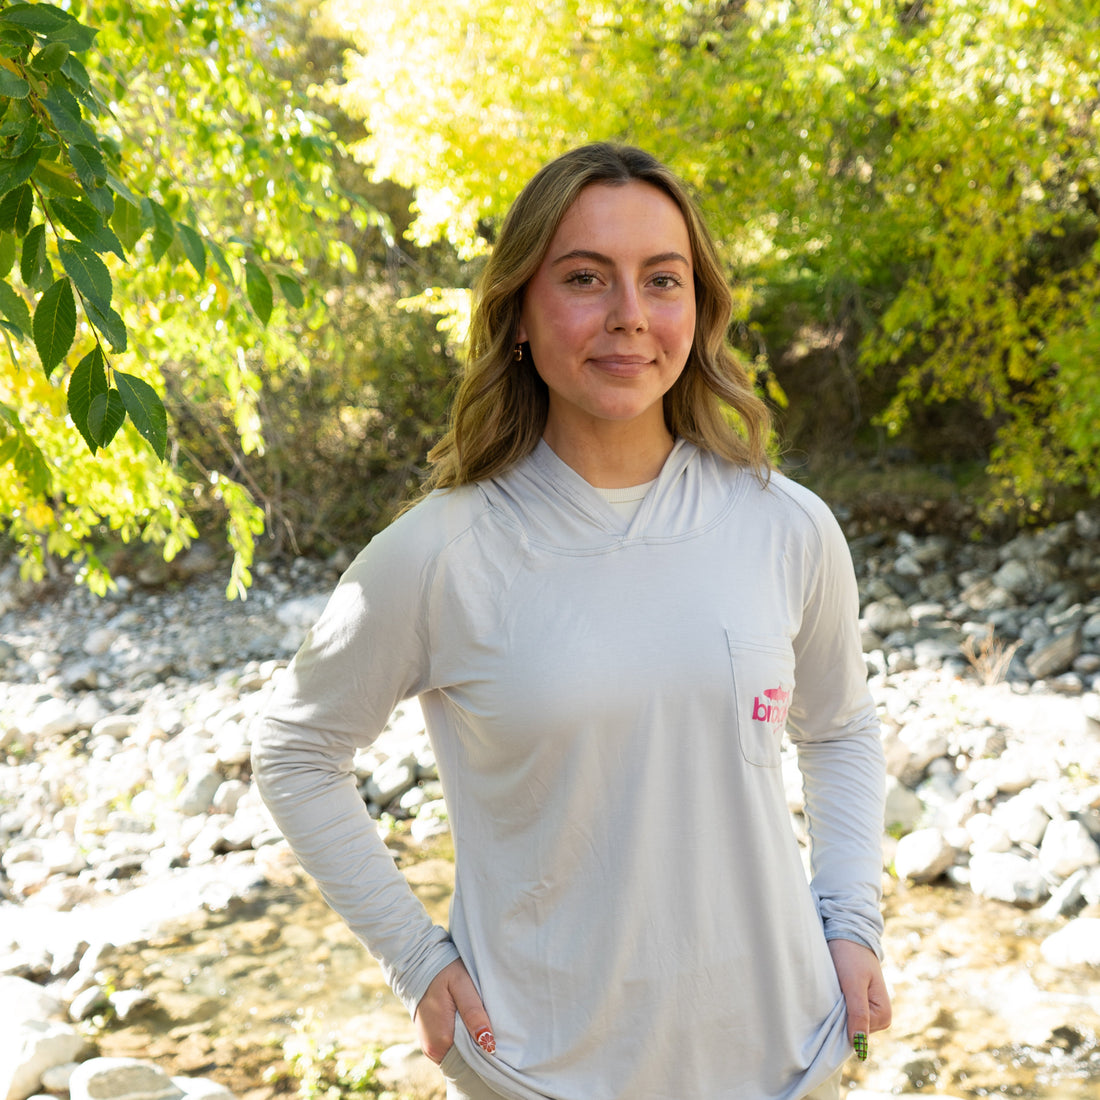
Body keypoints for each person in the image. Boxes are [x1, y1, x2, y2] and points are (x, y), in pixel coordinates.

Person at [251, 142, 891, 1100]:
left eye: (661, 280)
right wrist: (416, 960)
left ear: (699, 311)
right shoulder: (440, 553)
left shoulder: (784, 524)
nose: (629, 315)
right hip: (542, 1073)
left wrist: (850, 922)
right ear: (518, 313)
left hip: (785, 1055)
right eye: (586, 278)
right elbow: (294, 748)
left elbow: (839, 729)